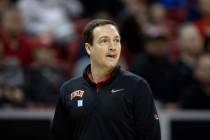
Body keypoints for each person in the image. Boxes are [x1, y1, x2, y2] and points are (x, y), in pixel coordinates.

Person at [50, 19, 161, 140]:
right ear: (89, 48)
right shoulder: (68, 89)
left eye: (116, 40)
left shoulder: (137, 86)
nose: (113, 47)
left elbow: (151, 136)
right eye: (104, 41)